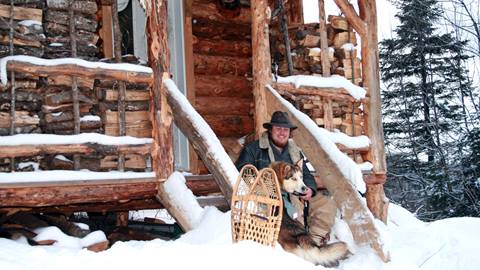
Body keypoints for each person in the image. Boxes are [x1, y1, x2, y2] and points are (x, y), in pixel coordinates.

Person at [235, 111, 336, 245]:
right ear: (271, 130)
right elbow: (243, 172)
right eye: (278, 129)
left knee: (326, 204)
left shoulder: (294, 152)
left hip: (295, 191)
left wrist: (310, 189)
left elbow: (305, 174)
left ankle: (314, 242)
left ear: (290, 133)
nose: (282, 133)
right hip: (268, 196)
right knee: (295, 211)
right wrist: (263, 189)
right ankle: (294, 247)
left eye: (285, 129)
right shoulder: (254, 149)